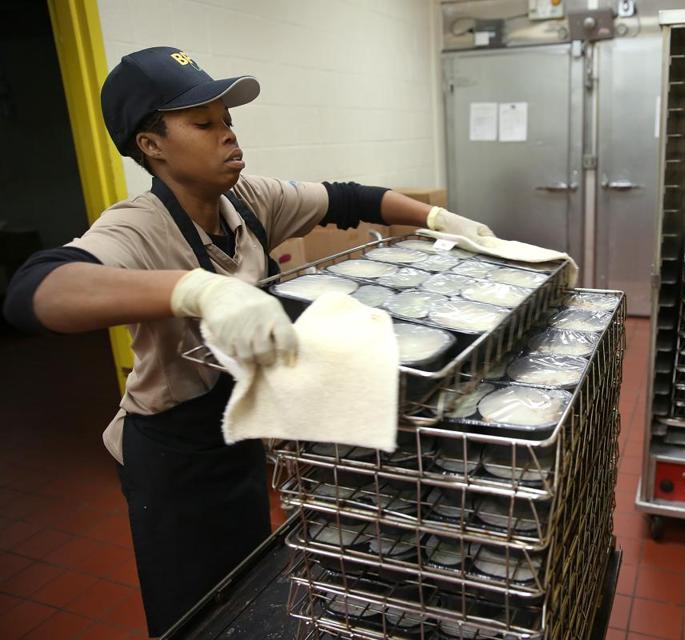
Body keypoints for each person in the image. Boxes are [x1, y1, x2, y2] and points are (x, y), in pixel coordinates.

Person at [2, 46, 495, 637]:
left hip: (237, 427)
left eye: (228, 120)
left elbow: (350, 199)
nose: (228, 136)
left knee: (246, 581)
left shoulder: (249, 201)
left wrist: (438, 220)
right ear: (151, 145)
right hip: (173, 451)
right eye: (203, 124)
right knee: (194, 611)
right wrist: (193, 289)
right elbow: (36, 291)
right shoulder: (138, 225)